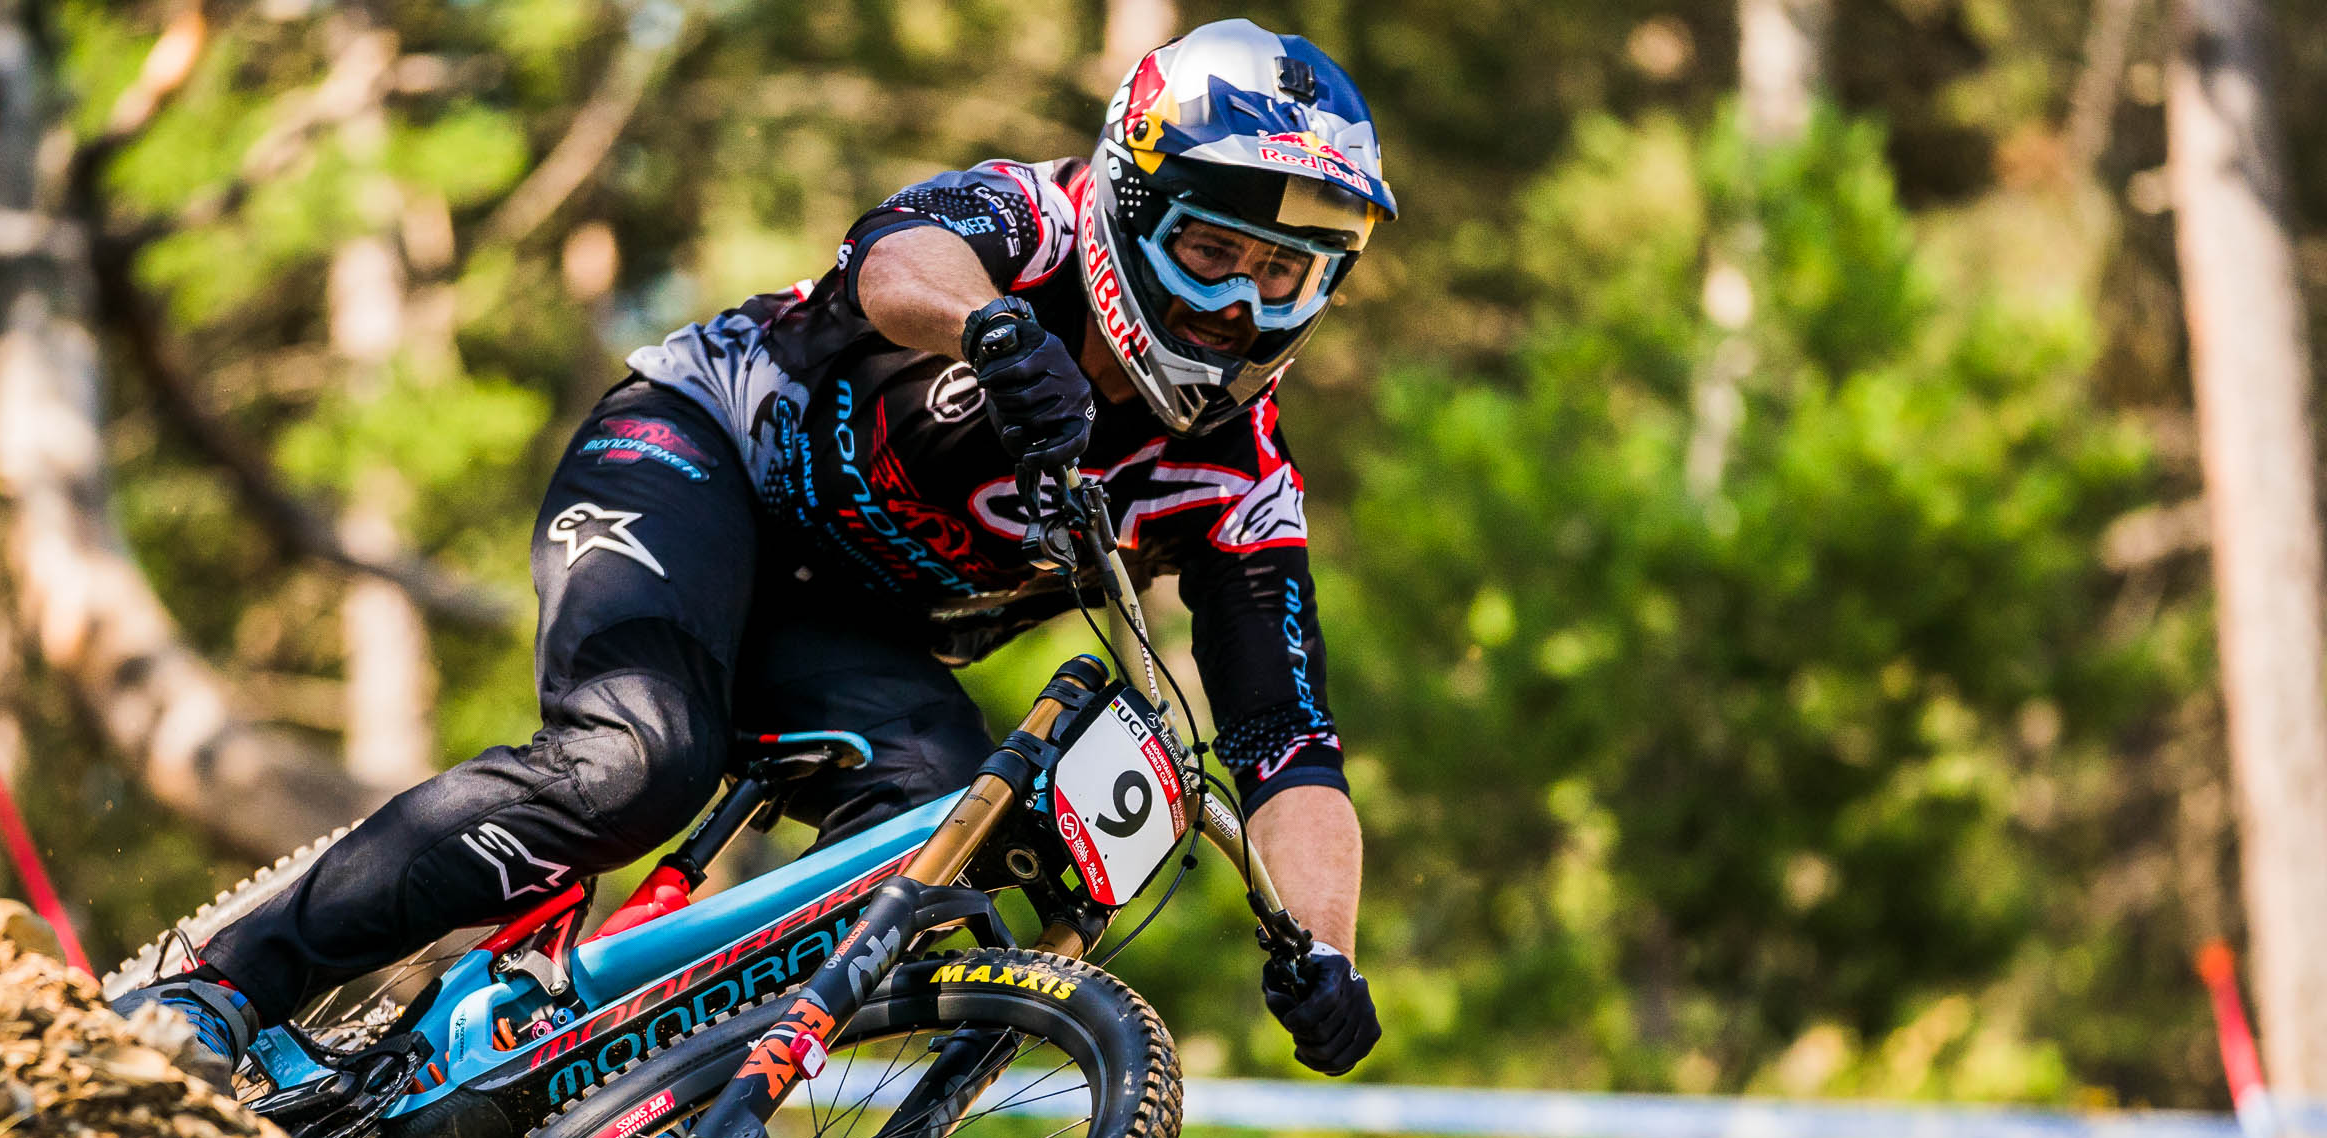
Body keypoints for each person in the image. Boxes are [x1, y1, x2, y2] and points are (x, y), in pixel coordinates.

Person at [117, 18, 1388, 1084]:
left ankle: (644, 1105)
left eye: (1282, 276)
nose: (1238, 307)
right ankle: (220, 985)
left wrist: (1327, 947)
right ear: (1128, 204)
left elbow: (1291, 748)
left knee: (940, 831)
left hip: (832, 630)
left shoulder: (1238, 484)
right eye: (1210, 251)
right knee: (634, 761)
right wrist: (990, 328)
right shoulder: (1033, 218)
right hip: (698, 457)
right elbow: (898, 258)